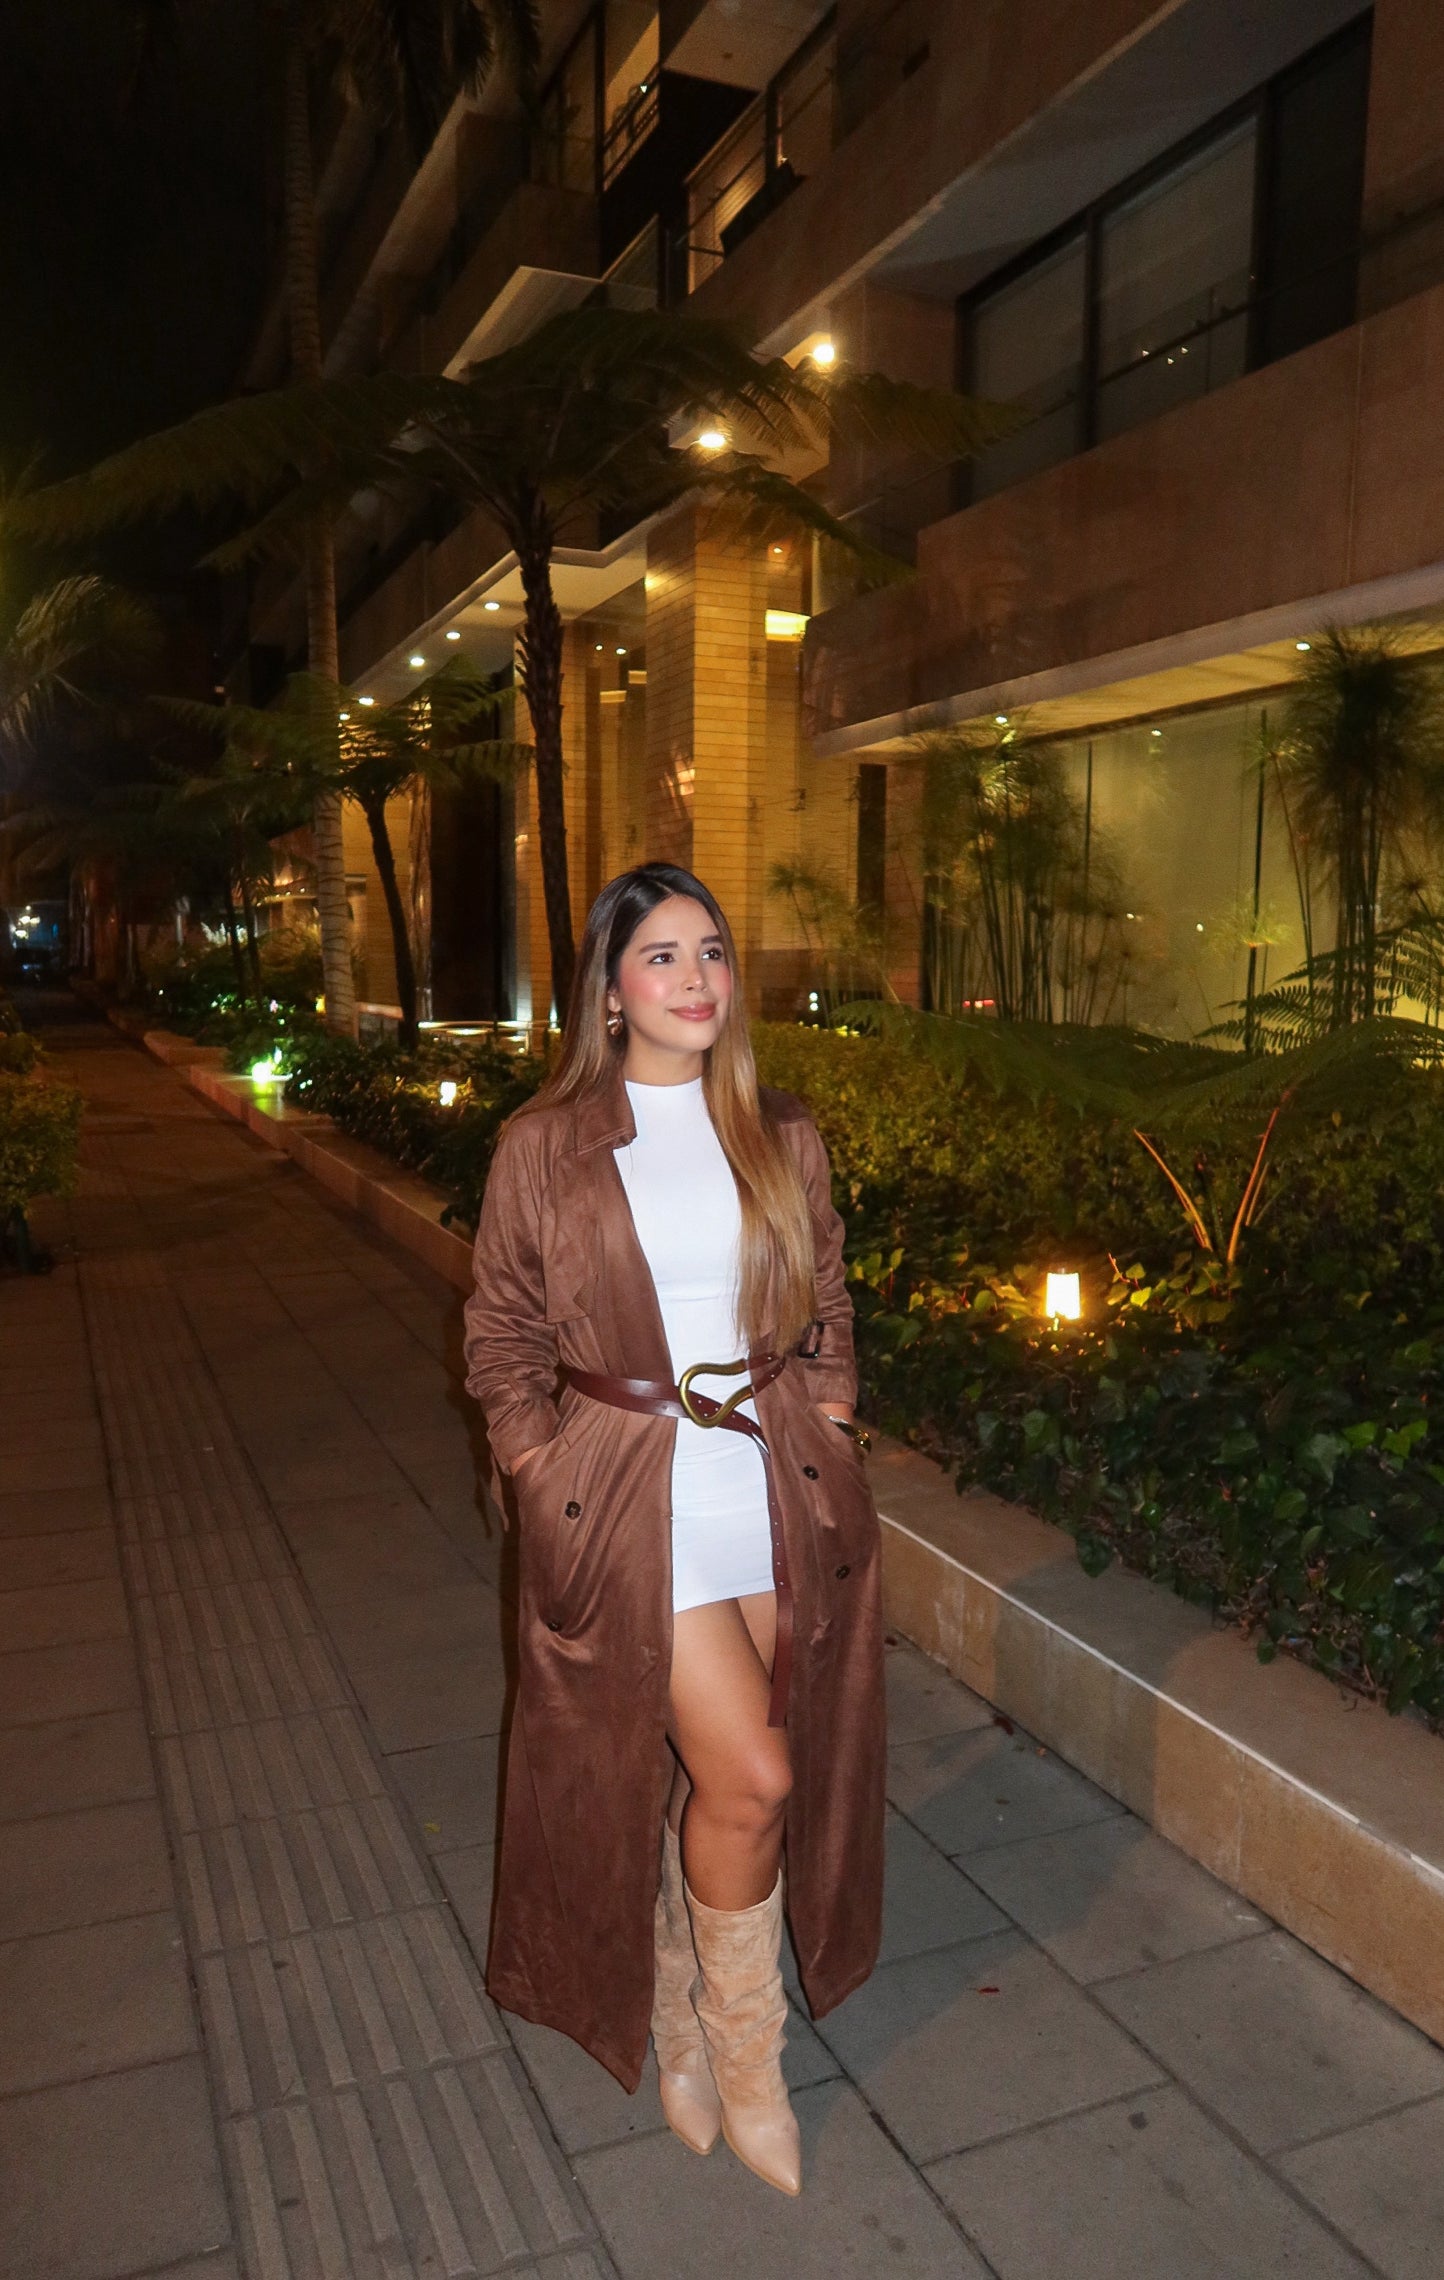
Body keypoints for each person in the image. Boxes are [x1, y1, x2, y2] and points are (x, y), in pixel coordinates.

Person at [463, 861, 884, 2196]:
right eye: (662, 956)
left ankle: (682, 1976)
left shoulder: (779, 1130)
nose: (696, 979)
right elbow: (501, 1337)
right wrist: (539, 1468)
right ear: (609, 988)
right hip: (630, 1490)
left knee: (750, 1772)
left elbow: (825, 1297)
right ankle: (742, 2053)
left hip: (772, 1479)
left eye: (711, 952)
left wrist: (832, 1417)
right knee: (755, 1777)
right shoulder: (545, 1147)